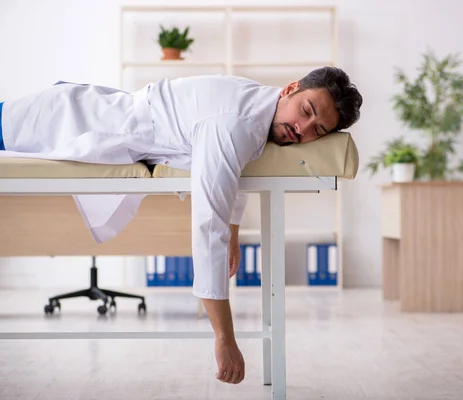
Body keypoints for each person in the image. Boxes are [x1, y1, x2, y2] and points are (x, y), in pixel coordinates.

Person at [0, 66, 363, 384]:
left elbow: (238, 170)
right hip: (61, 121)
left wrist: (234, 235)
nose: (302, 129)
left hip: (87, 111)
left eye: (318, 130)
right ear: (290, 89)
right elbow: (208, 224)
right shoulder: (236, 122)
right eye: (306, 110)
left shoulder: (258, 107)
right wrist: (224, 338)